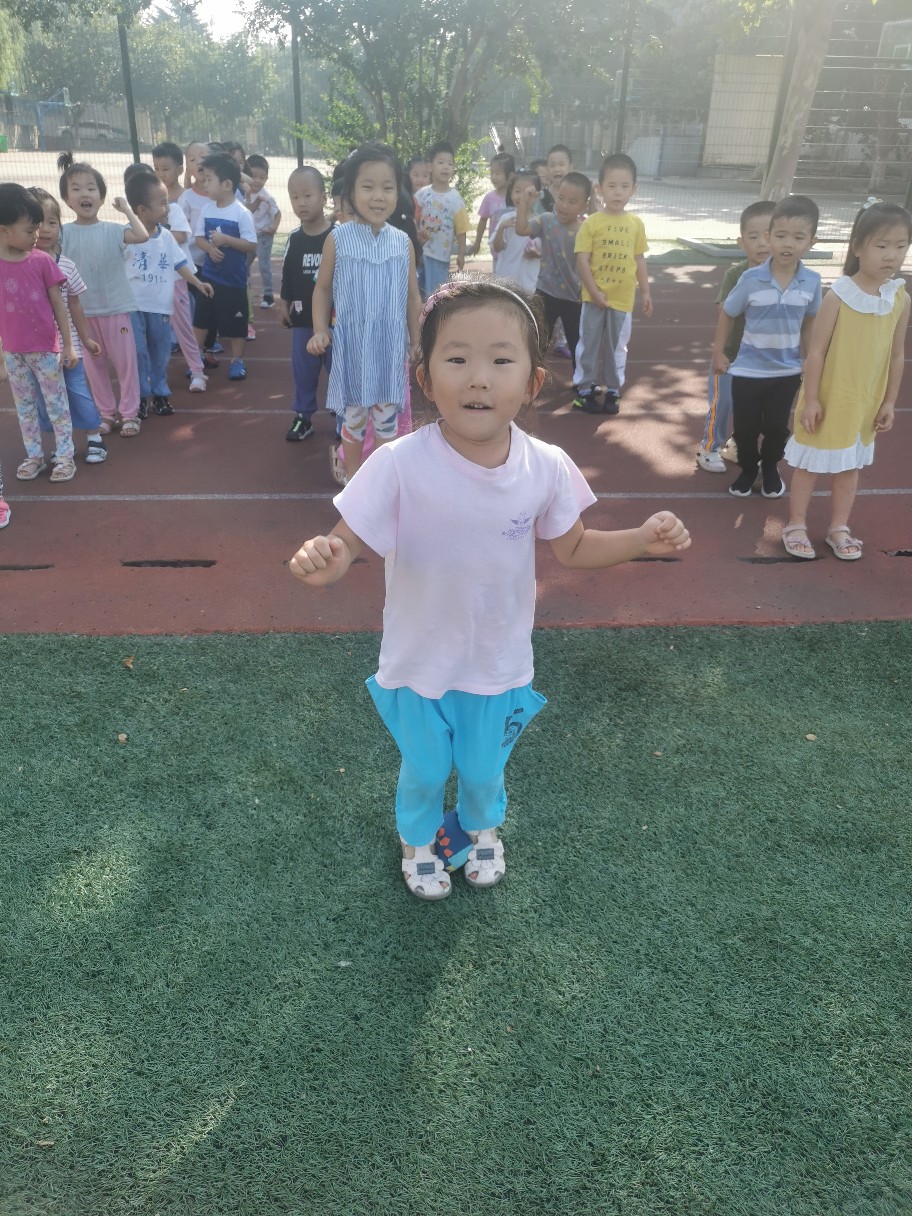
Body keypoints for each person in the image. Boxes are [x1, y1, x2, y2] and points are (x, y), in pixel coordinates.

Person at [288, 279, 690, 901]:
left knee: (482, 769)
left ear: (532, 382)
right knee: (425, 768)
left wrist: (639, 540)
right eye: (457, 358)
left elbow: (574, 547)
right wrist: (323, 562)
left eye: (501, 360)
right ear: (425, 379)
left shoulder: (545, 465)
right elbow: (345, 545)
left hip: (496, 663)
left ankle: (482, 829)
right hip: (418, 662)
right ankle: (417, 841)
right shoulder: (397, 464)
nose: (479, 378)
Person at [780, 201, 910, 560]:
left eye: (901, 246)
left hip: (864, 404)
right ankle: (796, 524)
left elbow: (896, 354)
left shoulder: (900, 299)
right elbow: (816, 352)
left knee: (849, 467)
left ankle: (838, 527)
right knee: (809, 465)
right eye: (881, 245)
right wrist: (811, 400)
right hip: (827, 399)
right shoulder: (839, 295)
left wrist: (888, 401)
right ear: (857, 247)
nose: (891, 255)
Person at [306, 143, 422, 482]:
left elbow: (412, 297)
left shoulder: (402, 242)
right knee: (353, 420)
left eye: (388, 187)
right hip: (353, 348)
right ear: (351, 192)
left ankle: (379, 483)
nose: (378, 196)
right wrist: (320, 329)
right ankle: (355, 479)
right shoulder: (338, 239)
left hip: (389, 349)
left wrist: (417, 340)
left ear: (398, 192)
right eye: (368, 187)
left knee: (387, 421)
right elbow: (322, 289)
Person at [713, 194, 822, 499]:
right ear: (768, 236)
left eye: (798, 237)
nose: (788, 244)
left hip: (786, 373)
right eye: (781, 235)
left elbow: (810, 322)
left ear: (811, 242)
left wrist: (810, 359)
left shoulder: (812, 281)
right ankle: (748, 469)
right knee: (745, 429)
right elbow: (728, 312)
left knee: (776, 428)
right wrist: (718, 352)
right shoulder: (750, 279)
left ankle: (770, 468)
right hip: (748, 371)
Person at [58, 152, 149, 437]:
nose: (85, 194)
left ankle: (130, 414)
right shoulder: (63, 233)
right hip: (82, 315)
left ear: (101, 196)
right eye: (76, 189)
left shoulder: (113, 229)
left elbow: (142, 235)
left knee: (125, 364)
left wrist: (127, 211)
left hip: (116, 309)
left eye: (91, 188)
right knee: (94, 369)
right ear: (67, 199)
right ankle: (106, 414)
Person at [0, 183, 78, 482]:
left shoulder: (42, 261)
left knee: (56, 405)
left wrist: (68, 345)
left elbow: (59, 304)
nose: (37, 234)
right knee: (25, 408)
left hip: (45, 349)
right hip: (13, 352)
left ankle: (65, 457)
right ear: (4, 231)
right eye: (30, 229)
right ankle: (34, 456)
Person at [123, 168, 214, 418]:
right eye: (162, 203)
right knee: (137, 351)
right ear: (142, 210)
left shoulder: (166, 237)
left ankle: (160, 393)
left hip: (160, 306)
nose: (168, 208)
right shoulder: (125, 237)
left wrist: (198, 283)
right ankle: (141, 397)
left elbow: (179, 264)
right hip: (133, 306)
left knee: (160, 351)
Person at [29, 187, 107, 465]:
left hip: (67, 347)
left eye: (52, 222)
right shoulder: (19, 266)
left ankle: (95, 436)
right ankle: (65, 444)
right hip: (35, 351)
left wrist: (84, 339)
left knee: (77, 392)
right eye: (38, 223)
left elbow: (75, 305)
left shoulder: (67, 265)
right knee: (46, 399)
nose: (46, 229)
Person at [696, 201, 774, 472]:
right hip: (731, 354)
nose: (762, 243)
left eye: (769, 235)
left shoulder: (786, 277)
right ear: (742, 243)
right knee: (723, 402)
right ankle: (709, 447)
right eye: (754, 237)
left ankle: (735, 445)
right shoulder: (736, 275)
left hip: (764, 358)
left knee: (756, 408)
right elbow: (724, 310)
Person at [573, 152, 651, 415]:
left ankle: (613, 390)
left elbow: (639, 259)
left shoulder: (636, 224)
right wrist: (594, 292)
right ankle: (584, 389)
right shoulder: (591, 224)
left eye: (624, 186)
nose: (618, 192)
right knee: (589, 343)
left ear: (633, 189)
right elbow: (582, 260)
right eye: (612, 186)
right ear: (600, 189)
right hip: (593, 298)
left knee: (617, 346)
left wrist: (646, 291)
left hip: (622, 299)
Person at [515, 169, 591, 378]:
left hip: (573, 297)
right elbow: (521, 229)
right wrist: (524, 203)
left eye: (572, 201)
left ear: (584, 206)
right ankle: (529, 377)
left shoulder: (585, 230)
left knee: (576, 340)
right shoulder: (546, 220)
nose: (564, 205)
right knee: (539, 337)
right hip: (545, 292)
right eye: (561, 198)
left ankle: (582, 380)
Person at [192, 152, 257, 382]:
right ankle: (196, 359)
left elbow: (251, 244)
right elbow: (199, 238)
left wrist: (226, 240)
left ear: (227, 185)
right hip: (209, 278)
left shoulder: (241, 213)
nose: (204, 184)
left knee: (237, 324)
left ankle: (237, 361)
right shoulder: (207, 210)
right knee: (201, 320)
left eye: (209, 179)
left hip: (234, 281)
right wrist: (210, 249)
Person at [280, 165, 333, 443]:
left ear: (323, 198)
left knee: (339, 371)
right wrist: (284, 304)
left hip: (335, 321)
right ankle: (303, 415)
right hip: (302, 321)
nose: (301, 202)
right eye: (295, 197)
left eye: (307, 195)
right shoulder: (294, 239)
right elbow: (288, 275)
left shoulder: (337, 237)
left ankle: (345, 417)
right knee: (303, 372)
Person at [151, 142, 208, 393]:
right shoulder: (146, 213)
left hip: (176, 279)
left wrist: (153, 233)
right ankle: (157, 376)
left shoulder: (175, 207)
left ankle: (197, 371)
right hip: (153, 282)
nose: (160, 174)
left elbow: (182, 236)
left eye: (165, 168)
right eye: (156, 169)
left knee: (184, 327)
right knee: (157, 334)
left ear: (178, 169)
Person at [415, 141, 469, 297]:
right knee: (417, 291)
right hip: (420, 253)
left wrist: (461, 253)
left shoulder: (455, 198)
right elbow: (413, 219)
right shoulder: (422, 195)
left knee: (436, 294)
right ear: (430, 166)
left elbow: (461, 229)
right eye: (441, 162)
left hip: (441, 256)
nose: (445, 167)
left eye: (450, 164)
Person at [490, 172, 542, 292]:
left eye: (528, 193)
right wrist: (502, 227)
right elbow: (497, 248)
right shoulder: (506, 219)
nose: (522, 197)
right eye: (517, 191)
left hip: (529, 282)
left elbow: (547, 254)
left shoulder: (540, 222)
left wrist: (537, 254)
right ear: (511, 193)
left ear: (536, 196)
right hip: (505, 279)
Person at [244, 154, 281, 308]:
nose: (257, 180)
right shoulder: (243, 193)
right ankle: (244, 287)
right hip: (248, 237)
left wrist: (274, 227)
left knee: (264, 266)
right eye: (253, 176)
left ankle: (268, 296)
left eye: (262, 177)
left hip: (263, 236)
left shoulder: (266, 197)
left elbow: (277, 213)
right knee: (243, 264)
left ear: (266, 178)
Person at [470, 151, 514, 264]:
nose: (493, 177)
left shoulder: (516, 197)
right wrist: (477, 242)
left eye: (497, 173)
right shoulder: (489, 198)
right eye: (492, 173)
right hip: (497, 250)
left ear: (510, 176)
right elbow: (483, 221)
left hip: (514, 251)